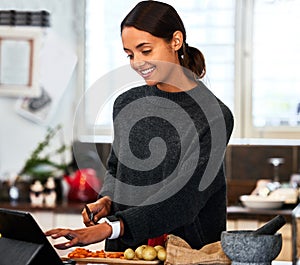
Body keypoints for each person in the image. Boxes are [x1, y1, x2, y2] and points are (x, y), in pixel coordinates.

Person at [45, 0, 234, 252]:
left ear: (175, 41)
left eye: (146, 50)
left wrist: (108, 228)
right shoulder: (126, 103)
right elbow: (116, 168)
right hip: (125, 251)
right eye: (130, 54)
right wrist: (108, 199)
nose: (136, 63)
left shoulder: (214, 115)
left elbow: (185, 201)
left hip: (185, 253)